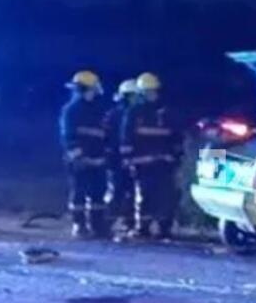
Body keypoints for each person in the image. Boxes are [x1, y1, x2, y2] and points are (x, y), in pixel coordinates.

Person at [121, 72, 183, 239]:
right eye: (148, 92)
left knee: (166, 196)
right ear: (141, 93)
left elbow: (177, 136)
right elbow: (127, 138)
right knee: (144, 196)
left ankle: (164, 228)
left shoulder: (166, 112)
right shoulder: (134, 113)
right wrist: (128, 160)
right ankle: (143, 228)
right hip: (142, 163)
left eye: (153, 91)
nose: (151, 95)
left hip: (164, 162)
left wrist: (176, 157)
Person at [59, 70, 109, 238]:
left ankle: (98, 225)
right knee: (79, 192)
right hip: (79, 159)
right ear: (85, 89)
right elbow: (69, 137)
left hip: (98, 159)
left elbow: (104, 136)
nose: (94, 92)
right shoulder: (71, 111)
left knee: (98, 193)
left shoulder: (99, 111)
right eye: (92, 89)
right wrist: (78, 156)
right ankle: (79, 225)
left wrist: (104, 155)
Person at [105, 79, 140, 234]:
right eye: (132, 96)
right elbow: (106, 136)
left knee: (132, 191)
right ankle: (107, 221)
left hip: (133, 159)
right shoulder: (114, 115)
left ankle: (129, 221)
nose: (136, 100)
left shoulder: (138, 115)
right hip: (116, 159)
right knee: (116, 191)